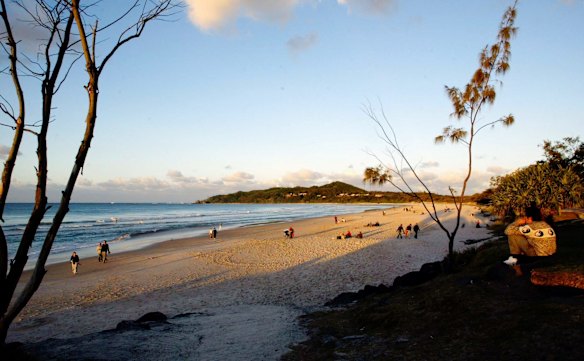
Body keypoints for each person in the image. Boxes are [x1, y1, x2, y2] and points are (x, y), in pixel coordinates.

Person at [504, 203, 556, 268]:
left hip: (539, 257)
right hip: (551, 255)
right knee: (523, 237)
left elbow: (507, 231)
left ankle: (516, 266)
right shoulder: (546, 224)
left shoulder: (530, 227)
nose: (524, 218)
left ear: (530, 218)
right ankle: (519, 260)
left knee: (513, 236)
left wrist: (517, 222)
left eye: (525, 217)